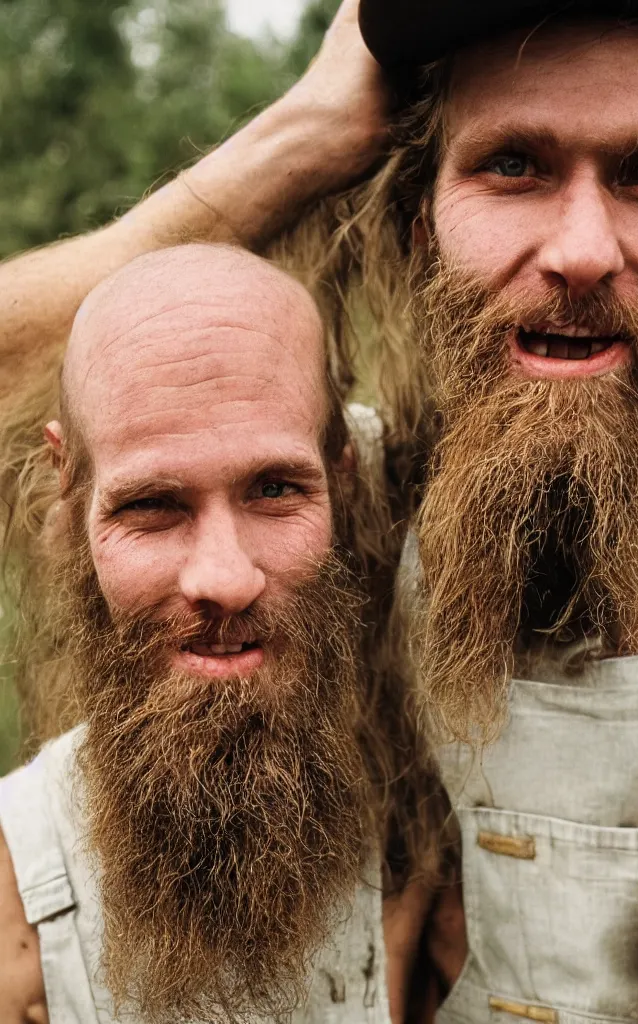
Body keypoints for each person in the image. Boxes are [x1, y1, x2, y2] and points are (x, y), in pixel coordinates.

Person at [0, 1, 638, 1021]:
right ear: (421, 220)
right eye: (512, 164)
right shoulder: (324, 511)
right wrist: (298, 141)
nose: (584, 250)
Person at [0, 244, 437, 1024]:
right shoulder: (18, 897)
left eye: (275, 490)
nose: (225, 578)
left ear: (340, 478)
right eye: (152, 506)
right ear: (71, 489)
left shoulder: (425, 854)